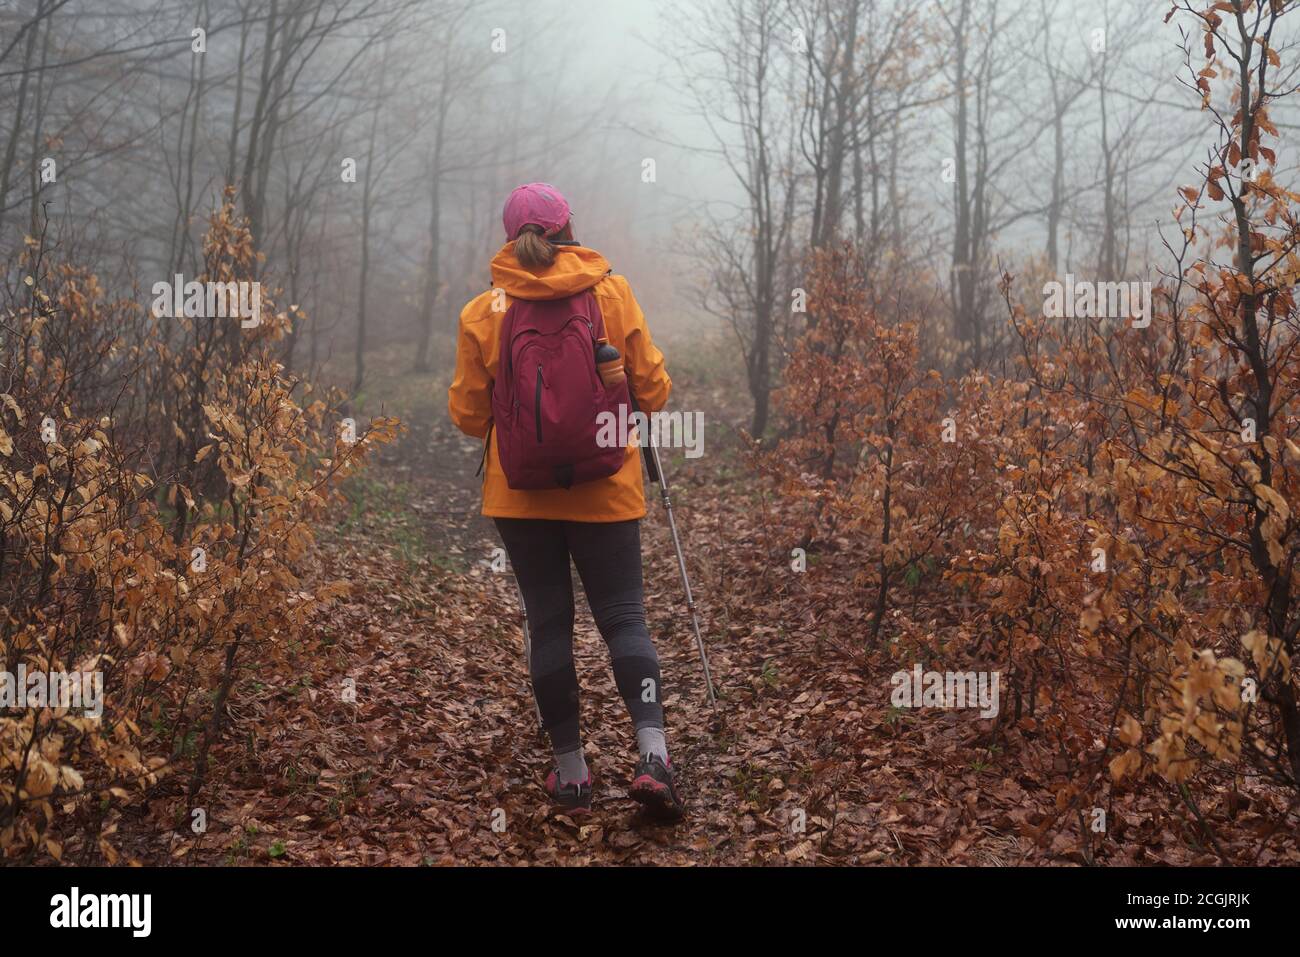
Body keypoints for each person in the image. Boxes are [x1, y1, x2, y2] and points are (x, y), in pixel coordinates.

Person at [448, 182, 683, 820]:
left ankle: (573, 775)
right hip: (606, 486)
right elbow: (654, 391)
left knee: (549, 624)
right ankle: (654, 757)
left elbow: (470, 416)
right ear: (569, 227)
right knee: (624, 618)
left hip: (520, 495)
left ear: (508, 238)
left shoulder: (483, 311)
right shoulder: (612, 292)